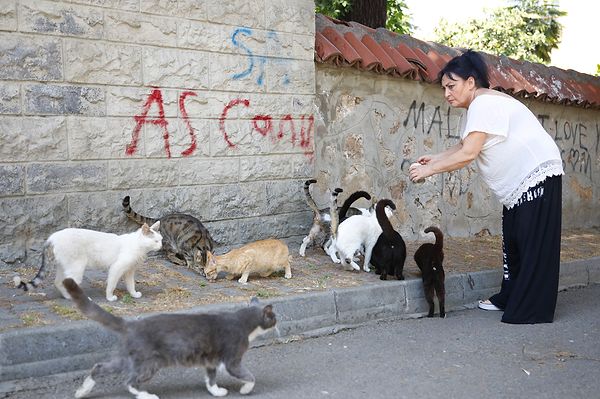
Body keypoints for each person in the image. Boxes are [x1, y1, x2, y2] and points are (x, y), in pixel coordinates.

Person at [409, 50, 564, 324]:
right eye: (444, 88)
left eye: (451, 86)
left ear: (471, 82)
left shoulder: (483, 104)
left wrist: (429, 170)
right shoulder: (475, 109)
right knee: (514, 241)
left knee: (530, 243)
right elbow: (462, 146)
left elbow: (468, 154)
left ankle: (531, 308)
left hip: (537, 174)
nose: (446, 93)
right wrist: (436, 157)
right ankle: (510, 296)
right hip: (520, 184)